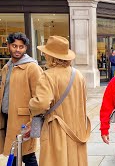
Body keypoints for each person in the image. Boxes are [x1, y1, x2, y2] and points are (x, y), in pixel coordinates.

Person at [29, 36, 90, 166]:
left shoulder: (48, 75)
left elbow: (42, 103)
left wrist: (31, 104)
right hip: (77, 130)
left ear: (51, 56)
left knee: (57, 161)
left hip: (56, 129)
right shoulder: (78, 74)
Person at [0, 32, 42, 166]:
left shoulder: (32, 67)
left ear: (25, 48)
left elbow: (39, 97)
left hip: (24, 121)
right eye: (14, 46)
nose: (17, 49)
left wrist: (34, 124)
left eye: (21, 47)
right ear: (8, 46)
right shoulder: (6, 67)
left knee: (28, 156)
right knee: (14, 153)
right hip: (7, 117)